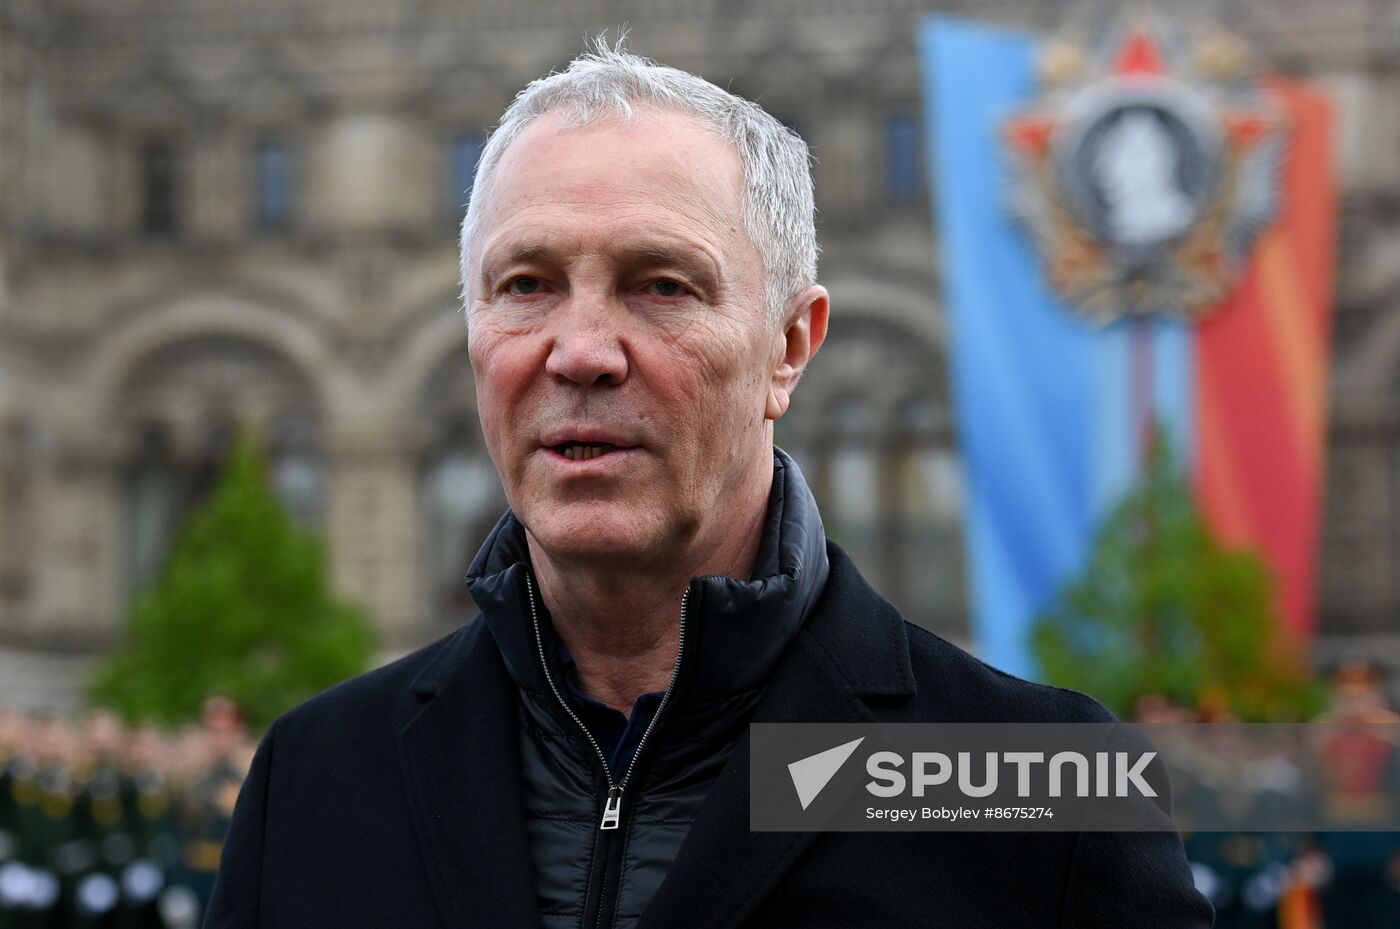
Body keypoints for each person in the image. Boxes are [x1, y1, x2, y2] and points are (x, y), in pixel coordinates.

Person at [205, 39, 1212, 929]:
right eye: (526, 284)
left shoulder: (1038, 789)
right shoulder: (319, 776)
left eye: (660, 284)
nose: (582, 350)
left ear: (787, 345)